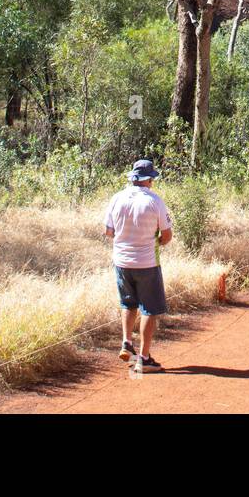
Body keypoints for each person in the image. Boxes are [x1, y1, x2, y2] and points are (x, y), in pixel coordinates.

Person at [103, 159, 173, 372]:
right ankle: (143, 358)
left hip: (122, 262)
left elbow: (109, 231)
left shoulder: (117, 198)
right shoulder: (154, 201)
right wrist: (155, 242)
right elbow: (167, 235)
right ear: (149, 179)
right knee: (149, 309)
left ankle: (126, 342)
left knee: (128, 303)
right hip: (147, 263)